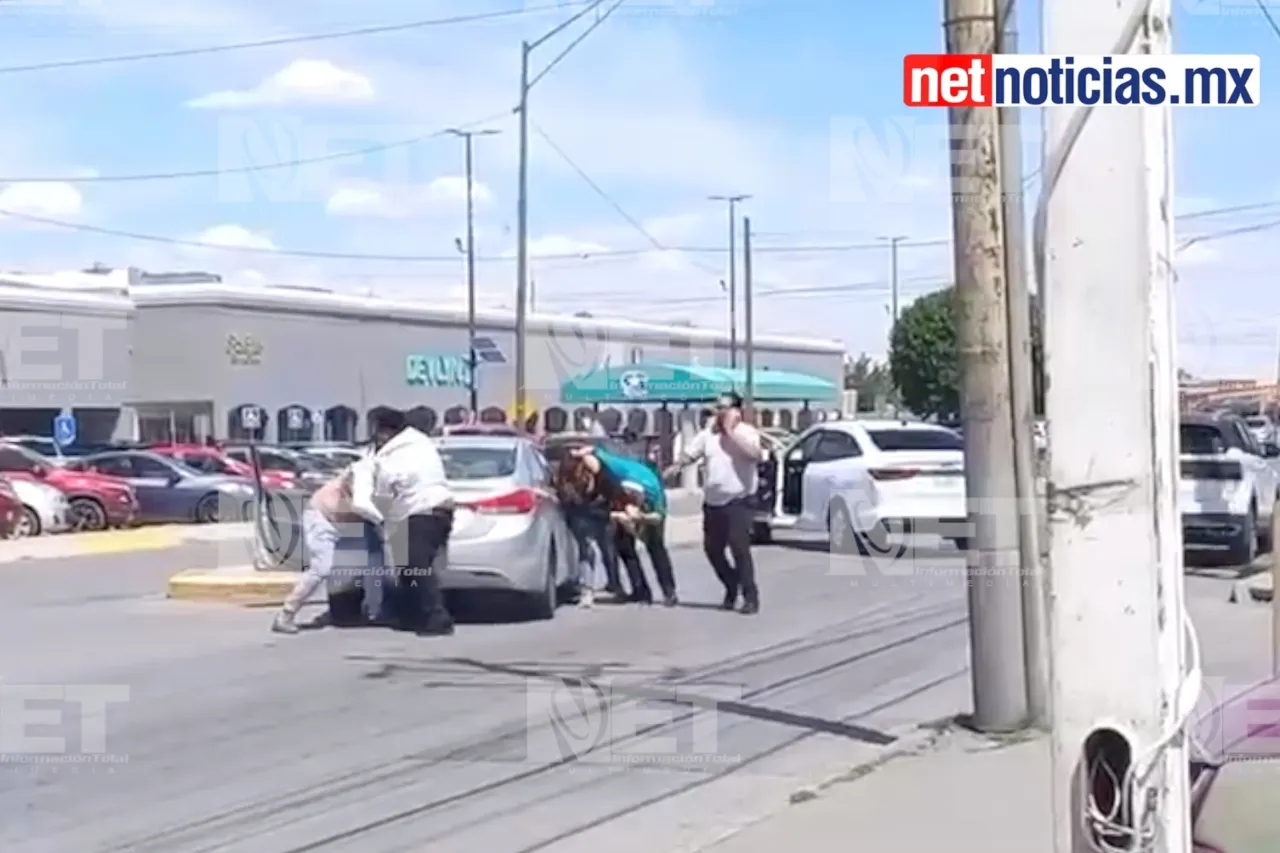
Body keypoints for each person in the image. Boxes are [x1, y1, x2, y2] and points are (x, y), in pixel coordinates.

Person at [349, 406, 457, 635]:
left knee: (417, 568)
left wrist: (379, 512)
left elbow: (389, 487)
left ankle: (437, 619)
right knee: (409, 568)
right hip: (437, 510)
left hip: (421, 512)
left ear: (385, 431)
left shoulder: (395, 454)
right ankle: (412, 615)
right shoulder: (420, 444)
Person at [664, 391, 764, 614]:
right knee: (713, 550)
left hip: (739, 500)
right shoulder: (708, 434)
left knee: (740, 550)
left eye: (724, 408)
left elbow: (755, 455)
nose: (719, 412)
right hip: (713, 502)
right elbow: (691, 454)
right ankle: (731, 584)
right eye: (717, 408)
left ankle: (750, 597)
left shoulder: (746, 433)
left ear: (736, 411)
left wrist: (730, 433)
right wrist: (676, 467)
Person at [573, 443, 677, 606]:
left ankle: (669, 592)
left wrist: (638, 517)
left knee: (655, 547)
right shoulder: (610, 468)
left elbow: (658, 516)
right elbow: (597, 452)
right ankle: (640, 591)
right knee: (624, 546)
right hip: (623, 495)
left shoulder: (653, 495)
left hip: (647, 504)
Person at [271, 465, 362, 634]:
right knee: (322, 567)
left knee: (360, 564)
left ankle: (347, 611)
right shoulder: (363, 470)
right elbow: (358, 497)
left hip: (345, 522)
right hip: (322, 518)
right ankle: (287, 613)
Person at [554, 452, 625, 606]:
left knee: (588, 552)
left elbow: (563, 498)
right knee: (604, 550)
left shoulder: (565, 477)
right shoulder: (594, 473)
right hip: (597, 513)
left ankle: (588, 591)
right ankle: (614, 586)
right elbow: (614, 488)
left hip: (583, 515)